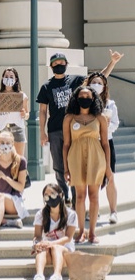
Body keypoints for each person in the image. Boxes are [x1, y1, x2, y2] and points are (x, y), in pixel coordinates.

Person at [37, 50, 121, 203]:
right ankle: (64, 196)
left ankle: (77, 198)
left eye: (61, 62)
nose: (59, 65)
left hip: (75, 129)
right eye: (55, 63)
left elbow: (98, 79)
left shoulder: (75, 81)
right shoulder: (46, 87)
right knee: (58, 165)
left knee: (75, 164)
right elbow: (43, 111)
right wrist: (42, 132)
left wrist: (112, 63)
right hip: (55, 130)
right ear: (51, 66)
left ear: (66, 64)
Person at [63, 86, 111, 244]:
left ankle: (92, 232)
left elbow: (105, 143)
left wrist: (108, 167)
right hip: (75, 157)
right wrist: (65, 168)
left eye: (88, 96)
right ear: (76, 99)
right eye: (81, 96)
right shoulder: (69, 118)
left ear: (93, 98)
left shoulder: (100, 118)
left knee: (94, 195)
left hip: (96, 157)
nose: (85, 99)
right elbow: (66, 144)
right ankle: (81, 231)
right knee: (80, 195)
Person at [84, 72, 119, 223]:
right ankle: (93, 211)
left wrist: (104, 128)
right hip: (90, 144)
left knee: (109, 177)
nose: (96, 85)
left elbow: (115, 123)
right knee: (92, 179)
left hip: (106, 143)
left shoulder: (110, 104)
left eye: (99, 83)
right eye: (94, 82)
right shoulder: (84, 103)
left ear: (104, 87)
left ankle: (113, 211)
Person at [31, 183, 77, 280]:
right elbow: (37, 236)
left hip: (65, 251)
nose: (49, 197)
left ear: (60, 195)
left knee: (56, 247)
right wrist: (36, 244)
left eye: (52, 194)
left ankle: (57, 276)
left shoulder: (71, 214)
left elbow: (68, 237)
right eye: (46, 195)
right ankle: (39, 276)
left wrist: (51, 243)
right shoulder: (40, 214)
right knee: (42, 248)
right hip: (48, 250)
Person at [0, 67, 29, 155]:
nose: (8, 79)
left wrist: (24, 114)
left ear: (16, 79)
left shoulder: (21, 96)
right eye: (6, 76)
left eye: (11, 77)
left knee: (19, 159)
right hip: (3, 129)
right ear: (2, 78)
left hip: (17, 128)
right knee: (4, 158)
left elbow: (27, 115)